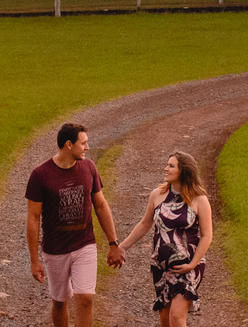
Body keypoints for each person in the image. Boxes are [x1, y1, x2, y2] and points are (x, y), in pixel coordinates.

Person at [26, 122, 126, 327]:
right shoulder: (40, 175)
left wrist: (113, 243)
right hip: (55, 249)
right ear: (69, 145)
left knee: (86, 298)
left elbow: (100, 205)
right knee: (61, 302)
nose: (87, 148)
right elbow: (33, 218)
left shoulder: (89, 168)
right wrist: (34, 260)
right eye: (84, 143)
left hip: (84, 244)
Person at [117, 151, 214, 327]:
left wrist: (193, 264)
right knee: (165, 320)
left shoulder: (199, 199)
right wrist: (122, 247)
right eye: (167, 164)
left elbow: (207, 235)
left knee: (176, 318)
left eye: (171, 166)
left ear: (183, 170)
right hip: (161, 268)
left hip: (188, 267)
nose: (165, 168)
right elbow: (144, 224)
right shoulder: (157, 194)